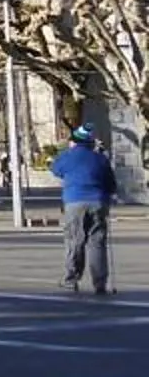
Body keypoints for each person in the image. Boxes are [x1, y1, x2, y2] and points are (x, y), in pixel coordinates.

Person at [52, 125, 119, 295]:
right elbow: (111, 184)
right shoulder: (100, 158)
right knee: (97, 242)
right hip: (98, 201)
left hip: (75, 201)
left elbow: (55, 169)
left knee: (75, 240)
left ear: (74, 142)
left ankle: (71, 279)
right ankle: (100, 283)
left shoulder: (68, 156)